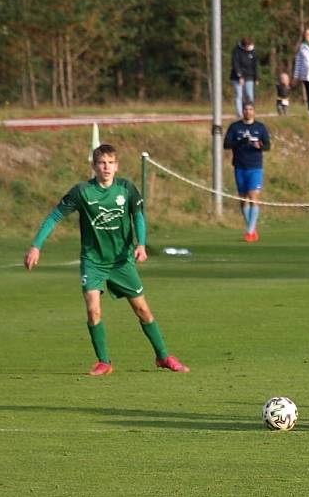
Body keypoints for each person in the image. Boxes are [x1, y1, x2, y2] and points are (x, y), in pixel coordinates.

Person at [23, 144, 190, 377]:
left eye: (111, 163)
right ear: (93, 166)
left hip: (122, 262)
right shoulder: (82, 192)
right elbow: (54, 216)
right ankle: (104, 361)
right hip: (93, 262)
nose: (106, 167)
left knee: (143, 310)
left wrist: (140, 244)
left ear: (117, 165)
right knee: (93, 311)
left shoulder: (126, 189)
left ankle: (163, 356)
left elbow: (138, 217)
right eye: (102, 163)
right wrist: (36, 246)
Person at [223, 101, 271, 242]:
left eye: (250, 109)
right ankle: (252, 228)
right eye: (245, 109)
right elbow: (226, 144)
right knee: (243, 200)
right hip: (239, 166)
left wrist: (259, 146)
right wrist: (241, 142)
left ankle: (249, 232)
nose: (248, 111)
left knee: (253, 197)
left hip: (255, 166)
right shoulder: (235, 127)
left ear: (254, 111)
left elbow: (267, 146)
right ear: (242, 111)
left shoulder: (260, 127)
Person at [230, 37, 258, 118]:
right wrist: (240, 76)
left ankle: (250, 112)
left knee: (249, 95)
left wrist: (256, 77)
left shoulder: (253, 51)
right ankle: (240, 113)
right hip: (237, 77)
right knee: (239, 95)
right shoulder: (236, 51)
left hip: (249, 76)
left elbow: (255, 65)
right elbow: (235, 64)